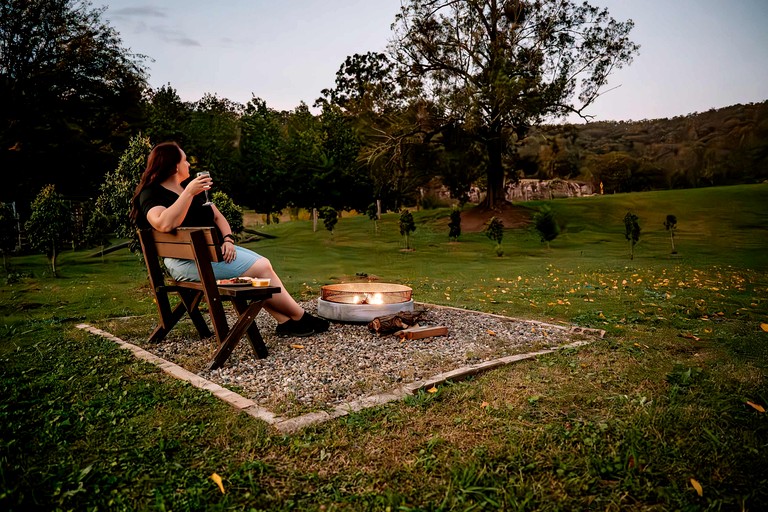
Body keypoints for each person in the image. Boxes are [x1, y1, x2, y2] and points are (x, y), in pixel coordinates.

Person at [130, 142, 328, 338]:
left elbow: (217, 217)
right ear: (174, 166)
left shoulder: (190, 190)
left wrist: (228, 240)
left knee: (259, 271)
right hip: (186, 263)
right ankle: (299, 316)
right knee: (261, 267)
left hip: (210, 254)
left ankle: (285, 322)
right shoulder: (152, 193)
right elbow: (163, 224)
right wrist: (189, 192)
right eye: (185, 160)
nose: (189, 164)